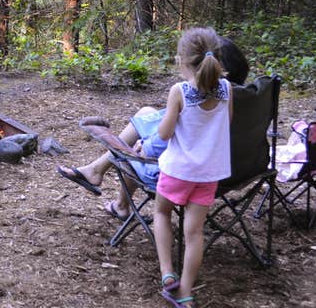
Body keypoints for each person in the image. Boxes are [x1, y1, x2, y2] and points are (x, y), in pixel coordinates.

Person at [56, 35, 248, 221]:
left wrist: (142, 147)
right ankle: (99, 174)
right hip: (232, 168)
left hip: (185, 174)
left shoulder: (192, 97)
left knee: (132, 150)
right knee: (146, 113)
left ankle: (108, 186)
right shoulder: (233, 97)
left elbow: (162, 141)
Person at [154, 28, 233, 307]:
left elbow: (164, 134)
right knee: (194, 232)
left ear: (182, 62)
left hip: (178, 171)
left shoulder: (180, 91)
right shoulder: (226, 88)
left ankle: (166, 273)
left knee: (162, 213)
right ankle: (185, 291)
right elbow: (227, 123)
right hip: (209, 173)